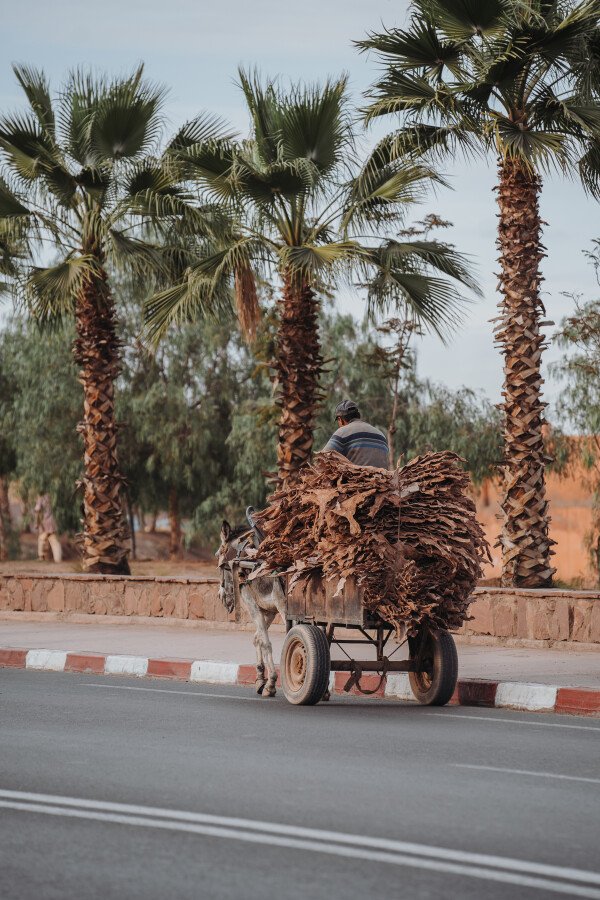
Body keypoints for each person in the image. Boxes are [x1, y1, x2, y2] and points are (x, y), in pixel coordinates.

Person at [322, 399, 389, 469]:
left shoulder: (342, 432)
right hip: (383, 478)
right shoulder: (381, 434)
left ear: (340, 419)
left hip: (359, 479)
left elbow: (322, 458)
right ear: (357, 415)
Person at [34, 493, 62, 563]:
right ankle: (58, 558)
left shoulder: (40, 499)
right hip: (52, 522)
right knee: (53, 540)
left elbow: (37, 511)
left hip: (45, 523)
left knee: (41, 539)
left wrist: (37, 523)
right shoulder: (50, 497)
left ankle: (41, 556)